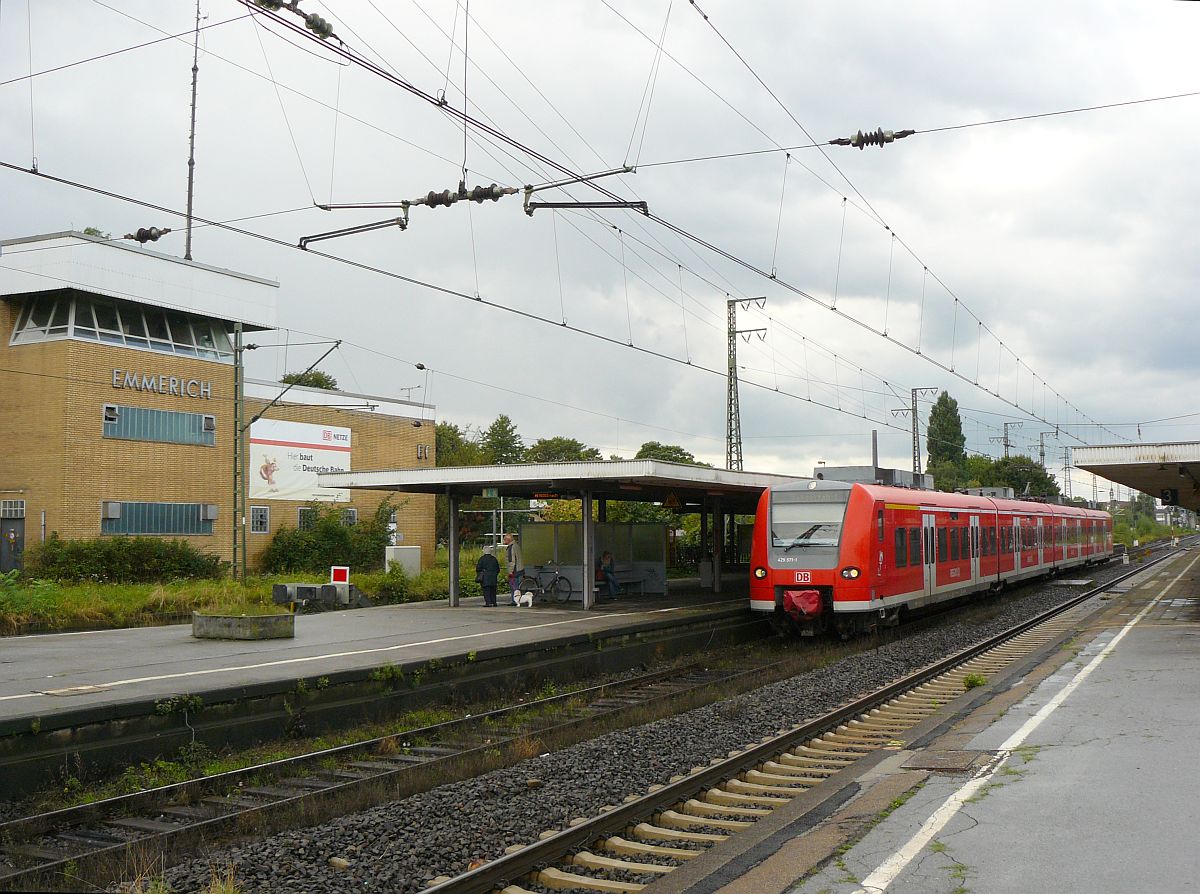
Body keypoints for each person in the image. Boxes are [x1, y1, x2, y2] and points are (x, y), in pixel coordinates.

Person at [503, 532, 524, 604]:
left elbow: (511, 560)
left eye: (504, 539)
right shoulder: (516, 546)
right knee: (517, 586)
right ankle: (517, 600)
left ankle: (515, 601)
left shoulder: (511, 547)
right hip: (519, 569)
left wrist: (510, 572)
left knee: (513, 586)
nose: (504, 541)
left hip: (514, 570)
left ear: (508, 540)